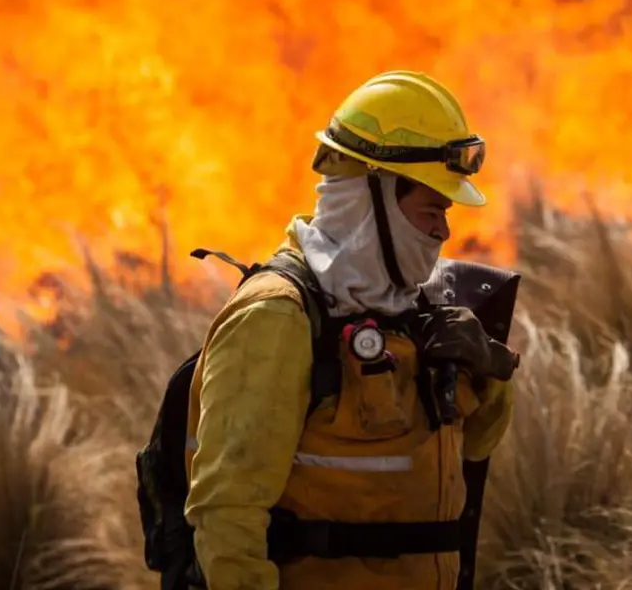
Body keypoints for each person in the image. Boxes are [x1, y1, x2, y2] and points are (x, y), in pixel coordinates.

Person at [183, 70, 518, 590]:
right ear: (374, 198)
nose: (443, 231)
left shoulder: (418, 306)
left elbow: (476, 447)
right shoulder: (276, 317)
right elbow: (227, 512)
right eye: (432, 209)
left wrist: (490, 374)